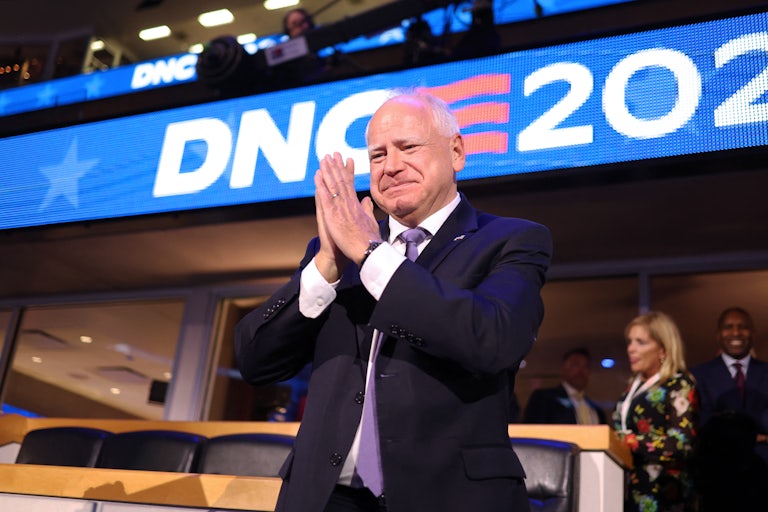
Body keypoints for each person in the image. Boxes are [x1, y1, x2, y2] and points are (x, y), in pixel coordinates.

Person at [235, 90, 552, 512]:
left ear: (457, 151)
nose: (391, 166)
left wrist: (372, 255)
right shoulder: (335, 252)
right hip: (324, 498)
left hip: (447, 498)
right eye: (378, 155)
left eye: (409, 147)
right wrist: (326, 266)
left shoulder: (513, 239)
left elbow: (493, 339)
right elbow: (256, 362)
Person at [613, 311, 698, 512]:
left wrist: (630, 441)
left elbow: (681, 444)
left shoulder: (678, 385)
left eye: (640, 342)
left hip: (663, 494)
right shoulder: (632, 387)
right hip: (630, 491)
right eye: (630, 341)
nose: (631, 348)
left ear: (663, 350)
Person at [690, 307, 768, 506]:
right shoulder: (698, 375)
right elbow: (703, 422)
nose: (736, 332)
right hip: (717, 478)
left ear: (752, 333)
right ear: (718, 334)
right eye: (729, 327)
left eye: (742, 327)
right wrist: (755, 435)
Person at [523, 347, 607, 425]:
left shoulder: (597, 410)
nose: (581, 371)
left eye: (586, 366)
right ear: (563, 369)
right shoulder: (544, 398)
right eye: (576, 365)